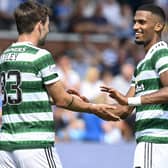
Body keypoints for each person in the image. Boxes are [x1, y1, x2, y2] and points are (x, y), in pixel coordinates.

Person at [0, 1, 119, 168]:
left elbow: (21, 95)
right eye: (48, 24)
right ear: (40, 25)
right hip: (34, 145)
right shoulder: (40, 55)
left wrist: (50, 97)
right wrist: (93, 108)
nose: (48, 30)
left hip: (6, 148)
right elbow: (62, 100)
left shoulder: (5, 56)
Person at [101, 4, 168, 168]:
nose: (135, 27)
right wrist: (87, 105)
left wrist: (131, 101)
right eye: (134, 22)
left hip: (156, 140)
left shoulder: (161, 51)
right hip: (147, 141)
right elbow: (124, 110)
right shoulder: (141, 65)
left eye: (142, 22)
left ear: (158, 26)